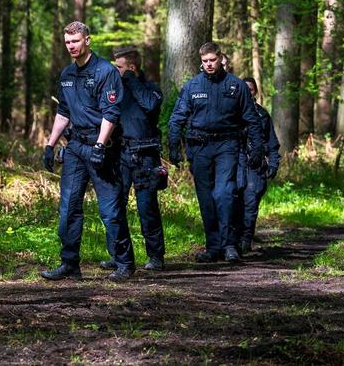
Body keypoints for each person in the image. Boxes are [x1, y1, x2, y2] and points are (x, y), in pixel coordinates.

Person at [39, 21, 133, 281]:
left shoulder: (105, 71)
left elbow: (111, 114)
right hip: (75, 148)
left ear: (87, 40)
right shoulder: (67, 75)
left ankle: (124, 262)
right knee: (69, 208)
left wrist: (101, 146)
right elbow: (63, 112)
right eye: (68, 42)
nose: (72, 46)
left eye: (76, 41)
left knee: (110, 210)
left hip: (102, 147)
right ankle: (70, 263)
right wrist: (50, 144)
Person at [166, 41, 264, 263]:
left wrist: (257, 148)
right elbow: (177, 117)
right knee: (206, 197)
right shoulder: (192, 86)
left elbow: (252, 119)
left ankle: (230, 245)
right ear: (200, 62)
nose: (209, 64)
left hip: (227, 145)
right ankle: (213, 246)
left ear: (220, 59)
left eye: (212, 60)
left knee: (225, 193)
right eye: (205, 61)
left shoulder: (236, 86)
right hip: (200, 147)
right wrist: (173, 145)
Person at [104, 46, 166, 272]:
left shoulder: (150, 89)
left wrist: (130, 79)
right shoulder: (115, 91)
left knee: (147, 207)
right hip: (120, 155)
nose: (116, 71)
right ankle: (118, 255)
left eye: (119, 67)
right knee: (115, 206)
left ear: (131, 68)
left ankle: (156, 256)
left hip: (145, 155)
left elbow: (150, 105)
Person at [234, 77, 280, 253]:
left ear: (255, 92)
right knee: (233, 201)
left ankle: (246, 239)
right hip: (235, 163)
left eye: (251, 89)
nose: (247, 91)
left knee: (250, 202)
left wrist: (273, 164)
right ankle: (231, 241)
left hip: (256, 165)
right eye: (244, 88)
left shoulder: (262, 114)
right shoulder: (231, 112)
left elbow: (272, 143)